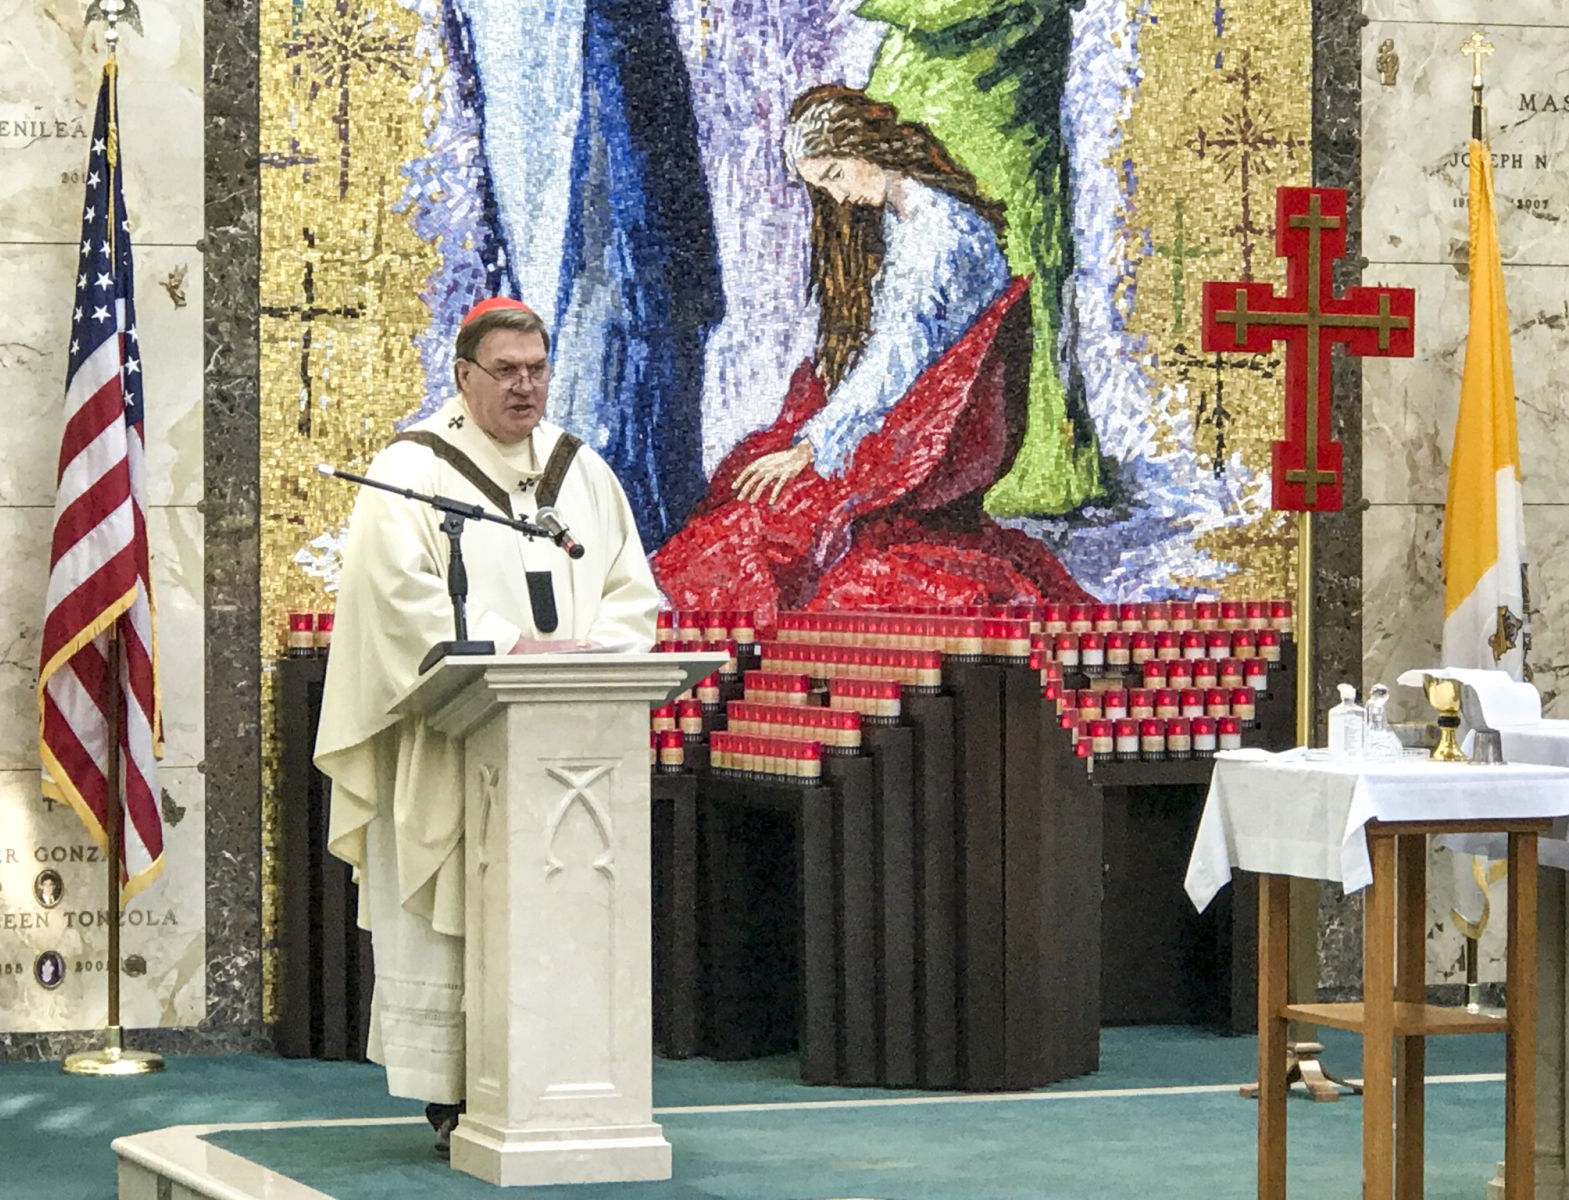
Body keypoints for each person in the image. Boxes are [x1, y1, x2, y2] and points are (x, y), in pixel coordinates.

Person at [313, 298, 659, 1157]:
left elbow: (632, 593)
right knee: (454, 920)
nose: (525, 386)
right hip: (453, 742)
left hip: (566, 750)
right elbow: (398, 608)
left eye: (537, 368)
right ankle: (459, 1094)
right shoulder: (412, 475)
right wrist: (513, 649)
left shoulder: (583, 473)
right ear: (463, 376)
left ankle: (563, 1082)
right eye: (505, 370)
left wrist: (588, 651)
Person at [651, 87, 1092, 626]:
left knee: (768, 505)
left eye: (835, 175)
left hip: (922, 435)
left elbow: (894, 365)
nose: (835, 198)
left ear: (864, 148)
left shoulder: (932, 242)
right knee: (751, 468)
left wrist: (812, 448)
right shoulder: (914, 214)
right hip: (918, 413)